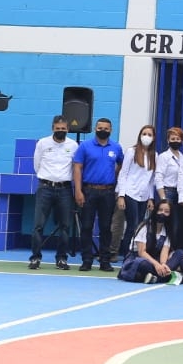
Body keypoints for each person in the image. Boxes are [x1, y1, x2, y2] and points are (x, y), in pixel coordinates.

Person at [72, 117, 124, 272]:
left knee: (106, 227)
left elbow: (121, 164)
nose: (103, 131)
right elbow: (77, 168)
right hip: (88, 190)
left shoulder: (116, 147)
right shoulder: (85, 146)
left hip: (108, 192)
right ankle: (87, 260)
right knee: (87, 226)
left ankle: (105, 260)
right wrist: (78, 191)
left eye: (106, 129)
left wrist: (114, 177)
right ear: (95, 129)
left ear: (111, 130)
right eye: (100, 128)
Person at [29, 116, 77, 270]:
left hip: (65, 189)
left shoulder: (73, 145)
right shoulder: (42, 143)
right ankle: (35, 258)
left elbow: (74, 167)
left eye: (63, 129)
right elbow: (36, 165)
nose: (60, 131)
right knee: (38, 225)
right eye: (58, 128)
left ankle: (61, 258)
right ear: (52, 128)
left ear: (68, 129)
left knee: (65, 226)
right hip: (45, 187)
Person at [118, 200, 183, 285]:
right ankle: (165, 276)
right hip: (139, 258)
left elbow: (164, 252)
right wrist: (157, 265)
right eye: (160, 210)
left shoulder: (167, 231)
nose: (162, 213)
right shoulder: (144, 227)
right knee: (143, 264)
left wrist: (163, 264)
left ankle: (158, 276)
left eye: (166, 211)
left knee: (180, 253)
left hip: (155, 259)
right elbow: (142, 252)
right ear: (155, 211)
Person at [116, 124, 157, 258]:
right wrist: (121, 195)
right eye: (144, 134)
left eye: (149, 135)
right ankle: (127, 254)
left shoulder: (154, 155)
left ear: (153, 138)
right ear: (140, 136)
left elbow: (151, 180)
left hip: (143, 196)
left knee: (140, 226)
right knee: (132, 224)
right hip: (130, 193)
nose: (146, 137)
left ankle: (136, 252)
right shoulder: (131, 152)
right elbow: (123, 174)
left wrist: (151, 198)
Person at [154, 126, 183, 247]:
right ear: (168, 140)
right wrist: (163, 198)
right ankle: (159, 246)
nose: (175, 141)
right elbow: (159, 177)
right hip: (167, 192)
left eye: (178, 139)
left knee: (176, 223)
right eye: (173, 139)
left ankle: (171, 248)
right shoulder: (164, 157)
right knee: (163, 221)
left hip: (180, 194)